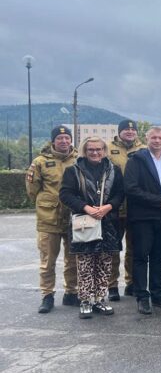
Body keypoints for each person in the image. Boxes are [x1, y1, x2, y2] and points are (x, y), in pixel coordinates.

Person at [59, 137, 124, 319]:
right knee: (85, 264)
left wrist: (108, 207)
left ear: (104, 150)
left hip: (108, 221)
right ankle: (86, 300)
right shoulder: (73, 171)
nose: (95, 153)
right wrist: (86, 208)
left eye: (98, 149)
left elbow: (120, 193)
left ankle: (100, 299)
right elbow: (65, 194)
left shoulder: (114, 170)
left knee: (104, 263)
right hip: (84, 222)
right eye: (91, 150)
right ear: (84, 151)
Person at [124, 127, 161, 315]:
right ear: (146, 139)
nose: (156, 140)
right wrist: (158, 201)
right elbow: (131, 188)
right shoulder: (136, 160)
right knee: (140, 257)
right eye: (153, 137)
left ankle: (157, 294)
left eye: (160, 137)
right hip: (143, 217)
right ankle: (142, 297)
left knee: (159, 257)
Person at [26, 125, 79, 313]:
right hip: (49, 218)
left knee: (73, 259)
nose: (64, 142)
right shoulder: (40, 162)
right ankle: (47, 295)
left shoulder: (78, 159)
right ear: (53, 141)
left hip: (74, 217)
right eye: (60, 139)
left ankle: (71, 293)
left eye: (67, 138)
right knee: (48, 260)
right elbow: (33, 190)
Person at [107, 119, 146, 301]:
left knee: (134, 248)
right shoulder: (108, 149)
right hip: (114, 207)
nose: (130, 132)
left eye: (133, 130)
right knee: (113, 249)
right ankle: (112, 285)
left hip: (136, 208)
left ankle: (131, 282)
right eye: (126, 130)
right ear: (119, 132)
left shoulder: (144, 150)